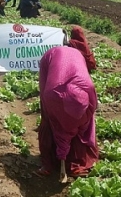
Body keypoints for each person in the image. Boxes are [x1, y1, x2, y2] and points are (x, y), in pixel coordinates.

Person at [36, 46, 99, 182]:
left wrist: (76, 127)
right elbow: (59, 128)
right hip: (51, 71)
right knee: (49, 120)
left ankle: (75, 163)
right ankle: (48, 163)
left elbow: (83, 125)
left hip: (74, 81)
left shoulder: (90, 93)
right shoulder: (51, 96)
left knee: (81, 128)